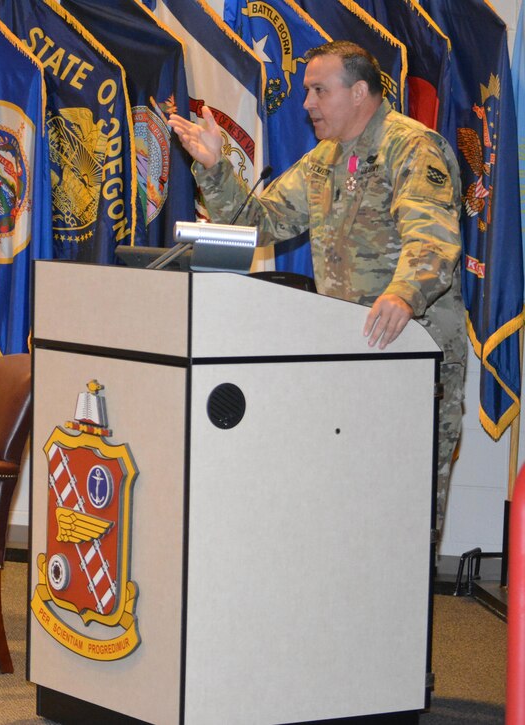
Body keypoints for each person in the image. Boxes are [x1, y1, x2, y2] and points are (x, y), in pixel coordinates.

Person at [168, 41, 467, 533]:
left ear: (360, 92)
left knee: (405, 506)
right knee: (346, 500)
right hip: (345, 354)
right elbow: (258, 224)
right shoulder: (324, 161)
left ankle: (400, 609)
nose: (306, 103)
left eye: (318, 91)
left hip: (412, 351)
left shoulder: (412, 147)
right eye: (308, 91)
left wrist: (403, 293)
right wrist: (214, 167)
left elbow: (432, 239)